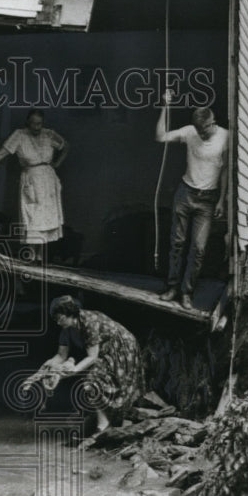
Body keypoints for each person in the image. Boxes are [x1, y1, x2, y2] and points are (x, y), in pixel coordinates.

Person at [155, 90, 229, 311]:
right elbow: (160, 137)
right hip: (185, 193)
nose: (201, 134)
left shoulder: (225, 136)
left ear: (212, 122)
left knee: (198, 248)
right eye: (198, 130)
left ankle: (187, 293)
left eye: (204, 130)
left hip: (207, 200)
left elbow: (225, 170)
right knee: (176, 243)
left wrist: (221, 200)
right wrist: (165, 106)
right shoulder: (189, 132)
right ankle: (172, 288)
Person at [41, 295, 145, 431]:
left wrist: (73, 370)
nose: (58, 322)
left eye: (61, 318)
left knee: (92, 380)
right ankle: (102, 422)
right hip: (104, 351)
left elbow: (92, 357)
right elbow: (61, 355)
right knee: (91, 381)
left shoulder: (89, 322)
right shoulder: (67, 330)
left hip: (121, 347)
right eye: (56, 319)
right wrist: (48, 366)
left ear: (70, 314)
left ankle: (103, 425)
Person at [0, 109, 70, 246]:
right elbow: (2, 153)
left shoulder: (49, 134)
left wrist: (57, 164)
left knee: (46, 218)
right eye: (33, 124)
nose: (37, 127)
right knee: (33, 217)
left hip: (48, 180)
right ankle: (32, 255)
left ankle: (40, 257)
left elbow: (66, 146)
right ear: (27, 122)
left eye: (39, 124)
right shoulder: (19, 135)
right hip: (31, 179)